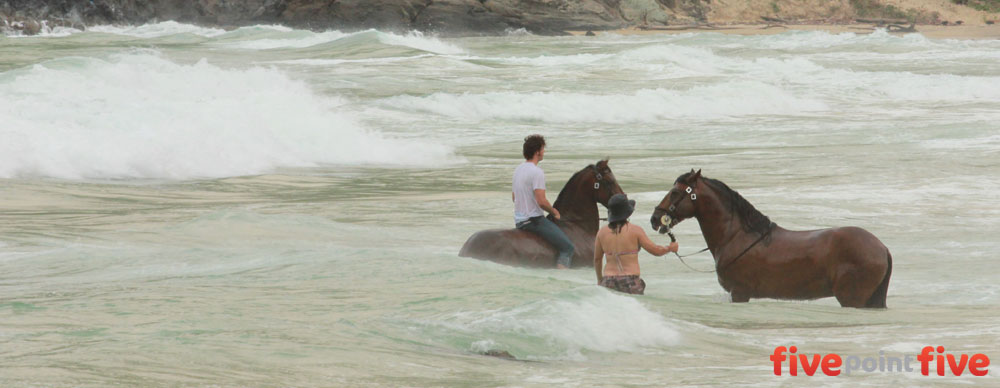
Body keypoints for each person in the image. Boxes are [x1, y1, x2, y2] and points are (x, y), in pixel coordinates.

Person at [594, 193, 678, 294]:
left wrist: (600, 280)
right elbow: (656, 250)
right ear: (627, 213)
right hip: (630, 282)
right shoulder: (636, 231)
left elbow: (597, 259)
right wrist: (670, 248)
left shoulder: (601, 232)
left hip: (608, 282)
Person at [513, 134, 575, 269]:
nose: (544, 152)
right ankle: (562, 277)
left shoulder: (518, 170)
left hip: (519, 221)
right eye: (543, 149)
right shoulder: (537, 172)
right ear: (537, 152)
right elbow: (541, 201)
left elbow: (514, 198)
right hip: (534, 221)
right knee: (568, 248)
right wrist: (554, 211)